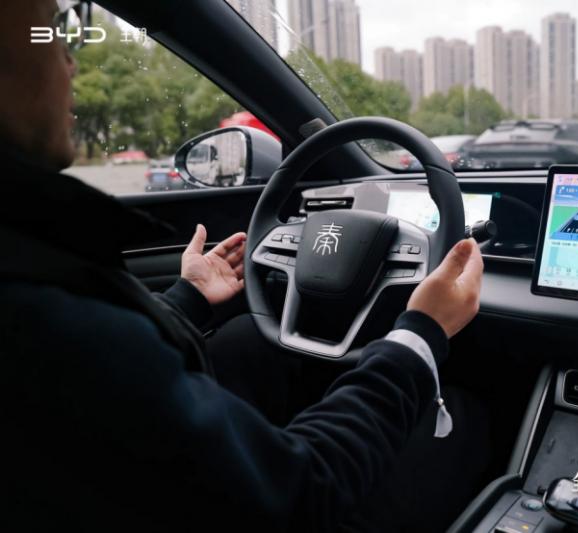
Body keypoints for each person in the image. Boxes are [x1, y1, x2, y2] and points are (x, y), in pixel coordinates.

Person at [0, 1, 486, 531]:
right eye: (51, 30)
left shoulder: (35, 278)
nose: (70, 60)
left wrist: (185, 299)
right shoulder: (38, 315)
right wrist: (418, 336)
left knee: (247, 346)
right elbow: (304, 491)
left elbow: (115, 367)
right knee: (466, 419)